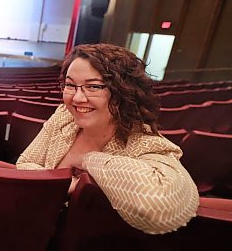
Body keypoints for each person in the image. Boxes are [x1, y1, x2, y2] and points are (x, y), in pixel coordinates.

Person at [17, 43, 199, 235]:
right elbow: (25, 163)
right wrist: (67, 185)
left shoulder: (144, 142)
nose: (77, 98)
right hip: (37, 229)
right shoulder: (65, 116)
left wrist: (88, 159)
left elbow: (163, 208)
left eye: (94, 86)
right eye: (70, 85)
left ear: (124, 92)